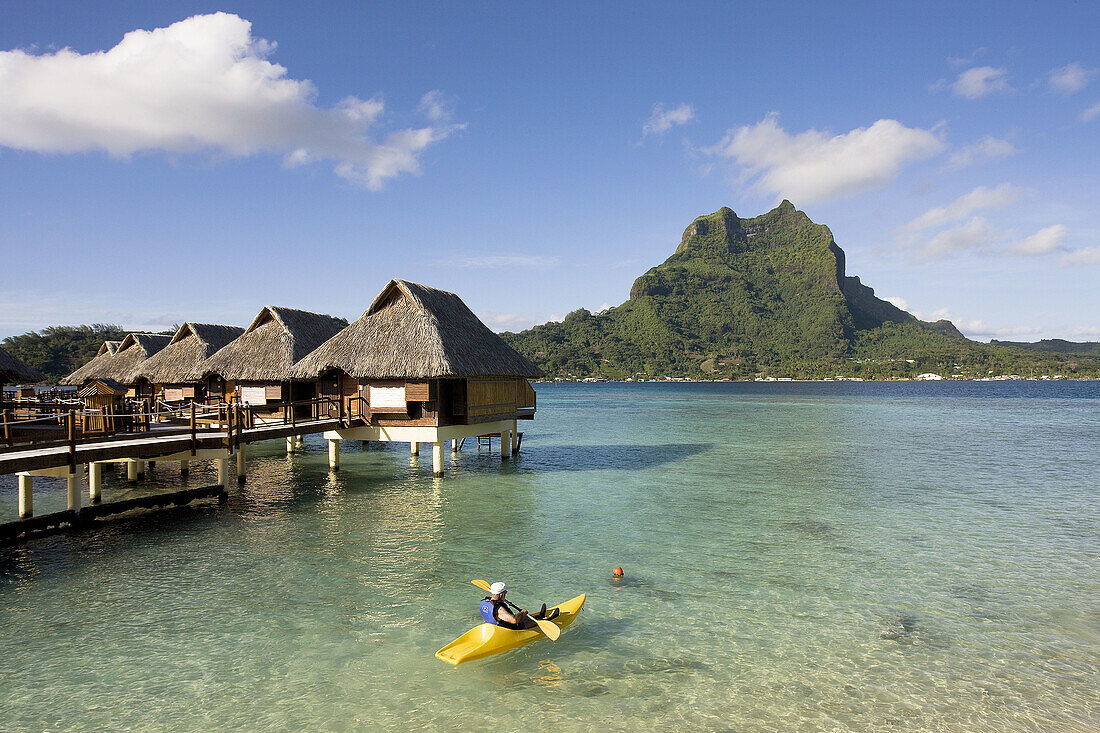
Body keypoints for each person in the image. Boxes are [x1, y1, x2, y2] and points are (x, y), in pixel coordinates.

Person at [480, 582, 558, 629]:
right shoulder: (499, 609)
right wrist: (522, 612)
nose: (505, 595)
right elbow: (514, 620)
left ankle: (540, 615)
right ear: (500, 595)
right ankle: (550, 620)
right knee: (525, 620)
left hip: (495, 626)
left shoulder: (484, 602)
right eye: (505, 593)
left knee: (524, 617)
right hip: (510, 629)